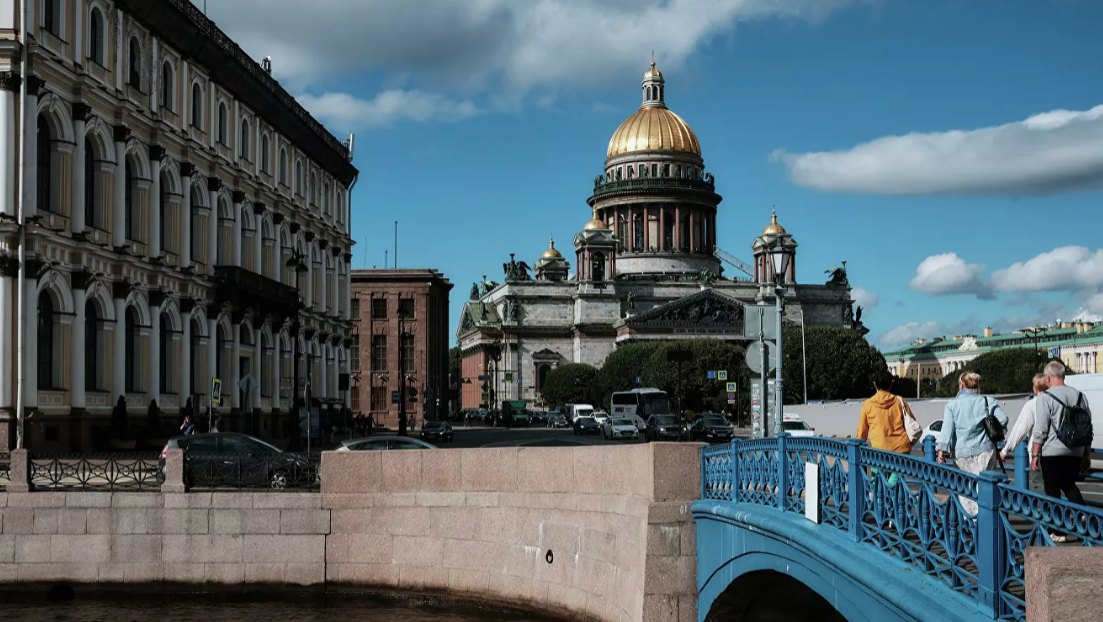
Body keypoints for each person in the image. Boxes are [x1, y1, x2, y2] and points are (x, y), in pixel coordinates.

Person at [1031, 361, 1093, 542]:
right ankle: (1085, 518)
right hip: (1075, 451)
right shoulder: (1080, 396)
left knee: (1052, 491)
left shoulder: (1045, 397)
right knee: (1068, 485)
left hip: (1052, 452)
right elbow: (1087, 428)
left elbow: (1041, 429)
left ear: (1048, 377)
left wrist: (1035, 454)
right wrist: (1086, 455)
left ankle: (1058, 531)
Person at [937, 372, 1009, 515]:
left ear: (961, 385)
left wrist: (941, 451)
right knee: (984, 487)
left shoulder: (952, 406)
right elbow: (1003, 420)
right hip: (985, 450)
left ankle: (972, 520)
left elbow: (947, 430)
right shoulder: (988, 401)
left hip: (962, 453)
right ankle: (985, 518)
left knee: (965, 489)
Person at [856, 369, 915, 487]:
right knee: (894, 485)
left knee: (878, 487)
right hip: (900, 450)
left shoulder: (868, 404)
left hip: (879, 452)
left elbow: (862, 432)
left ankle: (882, 503)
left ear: (875, 384)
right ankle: (891, 501)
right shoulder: (899, 401)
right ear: (891, 384)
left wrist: (857, 446)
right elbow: (912, 422)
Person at [1001, 373, 1048, 491]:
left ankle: (1043, 509)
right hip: (1057, 450)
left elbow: (1019, 430)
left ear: (1035, 387)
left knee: (1040, 486)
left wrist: (1005, 450)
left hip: (1038, 451)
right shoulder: (1055, 401)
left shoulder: (1032, 404)